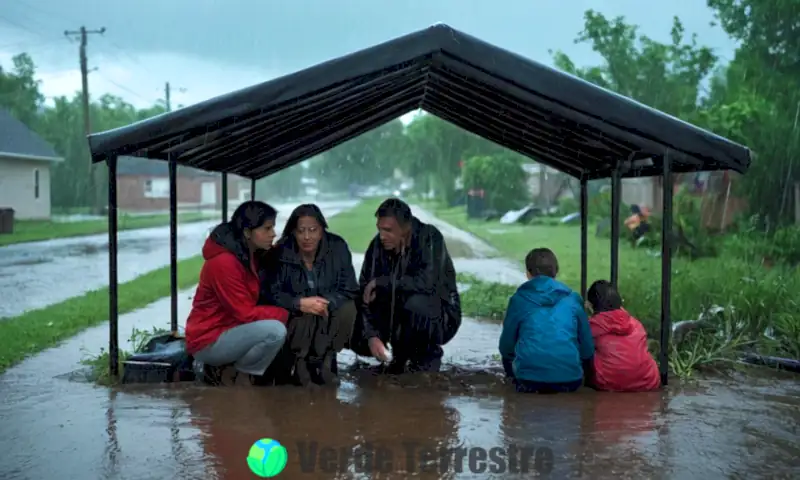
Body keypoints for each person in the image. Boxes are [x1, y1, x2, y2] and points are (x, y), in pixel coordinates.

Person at [351, 198, 462, 374]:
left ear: (406, 227)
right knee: (350, 311)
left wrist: (383, 282)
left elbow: (427, 282)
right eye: (379, 229)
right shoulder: (377, 246)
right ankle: (396, 356)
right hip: (398, 311)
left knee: (416, 303)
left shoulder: (430, 238)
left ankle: (426, 357)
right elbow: (363, 291)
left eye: (388, 230)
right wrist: (371, 335)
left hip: (440, 314)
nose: (382, 236)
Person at [185, 201, 289, 387]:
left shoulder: (247, 253)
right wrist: (285, 312)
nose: (273, 233)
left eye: (273, 227)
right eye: (267, 228)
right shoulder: (225, 262)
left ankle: (229, 370)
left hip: (228, 329)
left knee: (274, 326)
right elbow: (245, 313)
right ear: (248, 232)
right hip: (208, 339)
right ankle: (240, 375)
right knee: (275, 331)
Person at [262, 204, 359, 386]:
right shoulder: (281, 251)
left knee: (348, 308)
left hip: (327, 311)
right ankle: (300, 366)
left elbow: (350, 288)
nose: (307, 237)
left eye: (313, 230)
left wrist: (325, 302)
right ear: (293, 232)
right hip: (297, 318)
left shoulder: (337, 247)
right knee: (304, 314)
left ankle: (327, 360)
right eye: (301, 231)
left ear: (322, 230)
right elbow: (269, 293)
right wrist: (298, 303)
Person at [498, 248, 594, 393]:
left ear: (528, 274)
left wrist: (511, 372)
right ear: (556, 271)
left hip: (528, 380)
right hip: (570, 379)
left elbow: (506, 347)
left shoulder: (518, 300)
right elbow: (587, 347)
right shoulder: (573, 299)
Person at [585, 280, 661, 392]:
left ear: (591, 305)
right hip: (648, 381)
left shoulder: (592, 326)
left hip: (609, 383)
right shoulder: (636, 324)